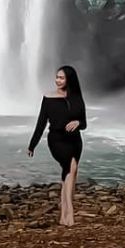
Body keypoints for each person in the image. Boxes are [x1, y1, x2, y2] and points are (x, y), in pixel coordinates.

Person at [27, 65, 87, 226]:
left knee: (70, 174)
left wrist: (78, 122)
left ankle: (63, 217)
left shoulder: (76, 97)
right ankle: (70, 212)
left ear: (69, 80)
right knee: (71, 168)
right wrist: (32, 145)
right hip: (56, 140)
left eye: (61, 78)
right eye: (57, 77)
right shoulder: (48, 98)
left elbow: (84, 123)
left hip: (75, 141)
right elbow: (41, 124)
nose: (58, 80)